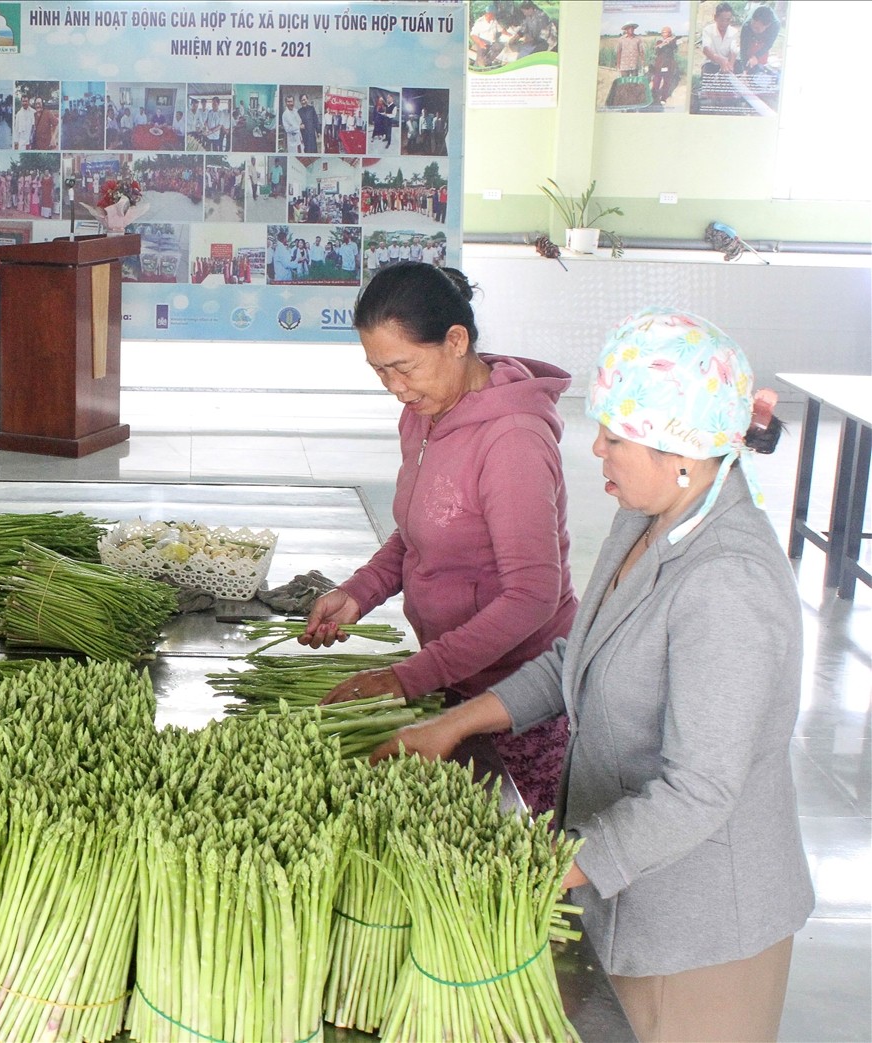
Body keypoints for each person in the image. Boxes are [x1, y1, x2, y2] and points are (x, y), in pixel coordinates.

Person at [373, 308, 812, 1042]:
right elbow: (574, 658)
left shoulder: (728, 581)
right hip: (628, 894)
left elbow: (701, 789)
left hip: (701, 928)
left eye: (616, 432)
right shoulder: (647, 518)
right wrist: (452, 722)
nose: (596, 445)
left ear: (684, 448)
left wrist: (553, 860)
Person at [300, 263, 577, 811]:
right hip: (455, 676)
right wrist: (360, 591)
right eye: (380, 372)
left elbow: (532, 596)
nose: (396, 389)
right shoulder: (424, 414)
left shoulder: (512, 440)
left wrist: (410, 677)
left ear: (456, 341)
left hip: (517, 697)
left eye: (405, 367)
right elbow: (421, 529)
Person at [650, 26, 681, 103]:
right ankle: (654, 96)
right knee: (656, 80)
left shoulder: (673, 41)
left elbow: (674, 48)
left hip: (669, 64)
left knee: (667, 81)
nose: (664, 33)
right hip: (659, 64)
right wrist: (663, 44)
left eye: (666, 32)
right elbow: (656, 50)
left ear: (670, 33)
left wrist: (670, 42)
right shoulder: (659, 42)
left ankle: (663, 98)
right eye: (663, 32)